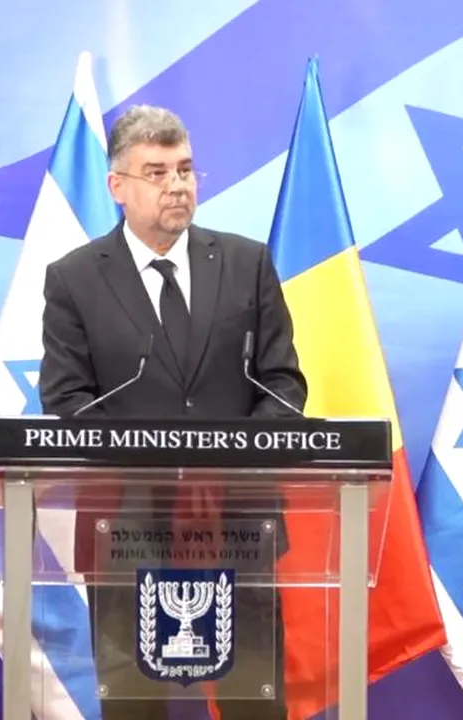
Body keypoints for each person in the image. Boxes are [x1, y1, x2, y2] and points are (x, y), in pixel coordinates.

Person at [39, 105, 306, 720]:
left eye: (185, 170)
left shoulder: (247, 264)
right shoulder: (74, 280)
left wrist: (229, 467)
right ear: (118, 186)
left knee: (253, 703)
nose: (177, 185)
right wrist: (156, 470)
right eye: (156, 173)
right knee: (134, 705)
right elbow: (68, 400)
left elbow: (283, 384)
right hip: (126, 526)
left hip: (238, 521)